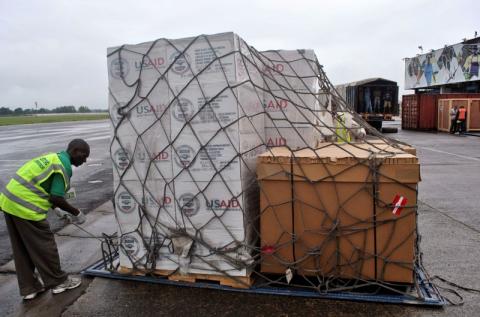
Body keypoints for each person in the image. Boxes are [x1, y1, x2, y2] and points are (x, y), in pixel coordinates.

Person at [0, 139, 90, 300]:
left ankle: (30, 288)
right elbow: (56, 197)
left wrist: (56, 210)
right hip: (24, 206)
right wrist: (77, 212)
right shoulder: (63, 167)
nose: (85, 160)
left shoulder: (53, 158)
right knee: (45, 245)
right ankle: (58, 282)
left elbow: (42, 188)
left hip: (8, 202)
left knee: (21, 248)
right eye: (84, 156)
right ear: (75, 151)